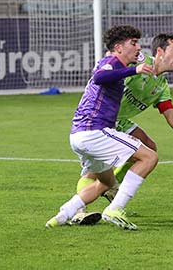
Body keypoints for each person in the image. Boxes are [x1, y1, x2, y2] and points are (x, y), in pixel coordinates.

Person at [71, 33, 173, 225]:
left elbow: (171, 117)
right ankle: (79, 212)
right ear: (160, 52)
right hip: (99, 119)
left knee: (149, 146)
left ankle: (111, 186)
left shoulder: (161, 86)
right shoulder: (140, 60)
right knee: (93, 171)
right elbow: (110, 63)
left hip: (121, 121)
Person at [46, 25, 158, 231]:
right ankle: (115, 209)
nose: (138, 47)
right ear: (118, 47)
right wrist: (135, 69)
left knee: (106, 183)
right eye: (133, 43)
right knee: (150, 156)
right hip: (94, 132)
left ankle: (62, 215)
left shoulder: (116, 66)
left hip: (78, 136)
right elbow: (99, 77)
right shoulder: (111, 62)